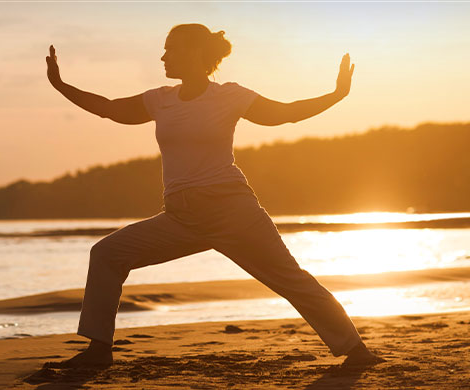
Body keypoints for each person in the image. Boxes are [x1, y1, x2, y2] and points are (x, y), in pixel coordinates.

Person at [45, 23, 383, 368]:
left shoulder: (229, 96)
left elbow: (285, 114)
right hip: (180, 217)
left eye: (171, 48)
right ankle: (99, 350)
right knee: (106, 254)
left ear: (194, 53)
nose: (163, 56)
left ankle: (356, 351)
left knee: (290, 279)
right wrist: (60, 85)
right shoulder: (159, 100)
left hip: (232, 211)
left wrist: (335, 95)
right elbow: (109, 107)